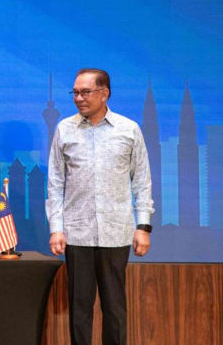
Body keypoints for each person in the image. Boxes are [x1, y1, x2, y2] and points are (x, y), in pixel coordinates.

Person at [46, 68, 153, 345]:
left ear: (104, 93)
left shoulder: (128, 129)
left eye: (86, 92)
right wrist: (56, 228)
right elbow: (55, 183)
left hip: (116, 232)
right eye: (76, 93)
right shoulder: (64, 129)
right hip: (76, 233)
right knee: (79, 308)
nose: (79, 98)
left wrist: (143, 226)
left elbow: (142, 182)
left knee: (115, 308)